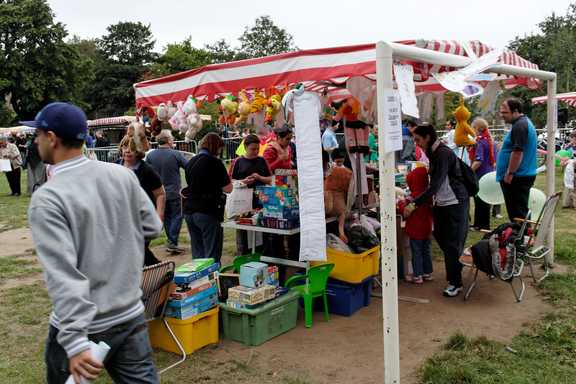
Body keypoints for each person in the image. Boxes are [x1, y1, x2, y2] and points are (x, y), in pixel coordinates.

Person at [24, 102, 163, 383]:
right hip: (130, 314)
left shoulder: (49, 198)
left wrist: (74, 342)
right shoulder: (121, 175)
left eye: (37, 134)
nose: (35, 141)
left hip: (87, 327)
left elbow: (63, 276)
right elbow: (152, 226)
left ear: (51, 138)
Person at [410, 123, 469, 297]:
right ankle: (456, 265)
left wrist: (414, 203)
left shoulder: (443, 153)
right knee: (441, 238)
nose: (416, 143)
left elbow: (435, 185)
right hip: (442, 203)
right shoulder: (433, 152)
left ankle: (455, 283)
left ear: (428, 137)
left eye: (418, 139)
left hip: (455, 203)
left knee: (452, 244)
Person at [182, 133, 232, 263]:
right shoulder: (215, 162)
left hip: (189, 210)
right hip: (208, 210)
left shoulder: (191, 161)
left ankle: (198, 281)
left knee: (198, 253)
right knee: (212, 254)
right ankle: (212, 280)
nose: (221, 152)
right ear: (216, 147)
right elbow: (228, 188)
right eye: (220, 148)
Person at [119, 135, 166, 266]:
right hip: (123, 218)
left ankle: (158, 270)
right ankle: (158, 270)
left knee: (138, 247)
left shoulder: (146, 170)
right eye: (125, 147)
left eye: (132, 148)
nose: (127, 151)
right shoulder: (116, 167)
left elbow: (160, 194)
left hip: (142, 217)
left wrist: (159, 215)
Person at [229, 134, 273, 255]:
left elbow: (271, 179)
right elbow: (231, 182)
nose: (255, 151)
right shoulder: (238, 162)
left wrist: (260, 177)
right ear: (245, 147)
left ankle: (262, 256)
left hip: (260, 201)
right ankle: (243, 256)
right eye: (253, 149)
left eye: (257, 149)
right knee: (243, 231)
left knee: (262, 231)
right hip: (242, 203)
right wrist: (243, 182)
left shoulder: (261, 160)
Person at [146, 129, 188, 254]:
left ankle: (171, 241)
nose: (173, 140)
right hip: (174, 191)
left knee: (168, 217)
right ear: (169, 140)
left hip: (157, 193)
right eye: (172, 139)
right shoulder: (175, 154)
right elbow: (188, 166)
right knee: (177, 216)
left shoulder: (150, 155)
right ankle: (172, 242)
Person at [496, 98, 538, 222]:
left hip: (517, 177)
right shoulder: (521, 123)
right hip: (519, 175)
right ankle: (521, 236)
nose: (501, 115)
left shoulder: (520, 126)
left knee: (518, 213)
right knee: (519, 211)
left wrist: (510, 173)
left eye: (504, 112)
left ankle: (520, 238)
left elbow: (518, 152)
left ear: (515, 111)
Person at [401, 166, 433, 284]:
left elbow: (406, 211)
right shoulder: (428, 195)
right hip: (427, 228)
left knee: (417, 252)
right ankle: (427, 273)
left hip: (415, 229)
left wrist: (400, 204)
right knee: (426, 250)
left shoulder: (413, 198)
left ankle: (418, 275)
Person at [469, 118, 496, 230]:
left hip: (481, 175)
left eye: (472, 127)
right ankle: (480, 224)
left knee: (480, 200)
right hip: (489, 174)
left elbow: (478, 160)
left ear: (477, 128)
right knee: (484, 200)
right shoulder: (489, 140)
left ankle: (481, 224)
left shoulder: (480, 141)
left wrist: (469, 170)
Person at [324, 148, 352, 243]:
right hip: (339, 206)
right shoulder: (348, 172)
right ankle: (341, 231)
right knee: (342, 213)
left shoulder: (328, 171)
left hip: (326, 202)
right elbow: (349, 191)